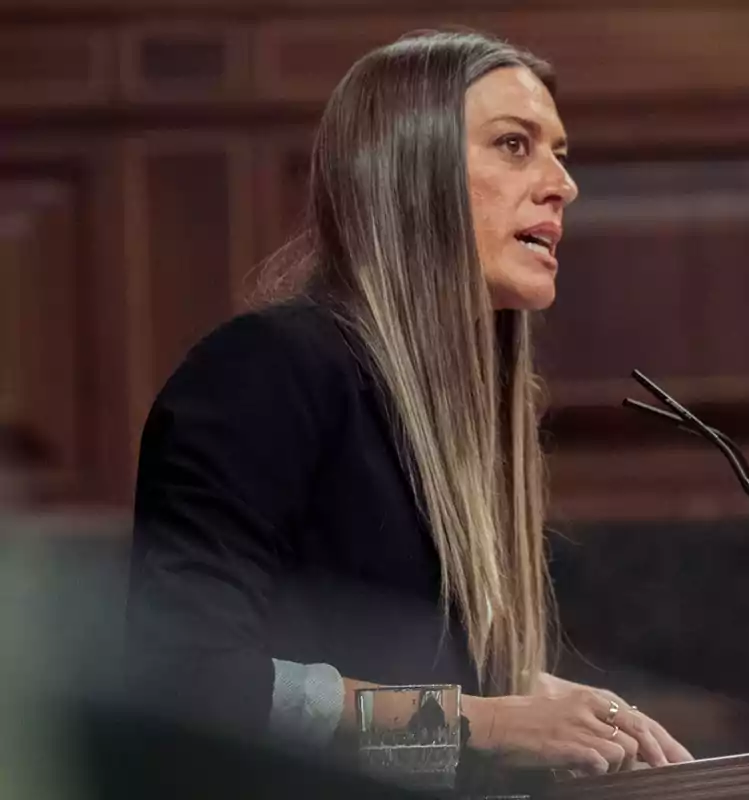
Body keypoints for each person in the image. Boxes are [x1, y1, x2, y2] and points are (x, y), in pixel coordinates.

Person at [123, 28, 692, 784]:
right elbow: (186, 689)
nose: (562, 183)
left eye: (560, 152)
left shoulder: (461, 407)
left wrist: (542, 704)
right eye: (515, 145)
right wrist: (486, 724)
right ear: (407, 172)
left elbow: (402, 682)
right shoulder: (265, 370)